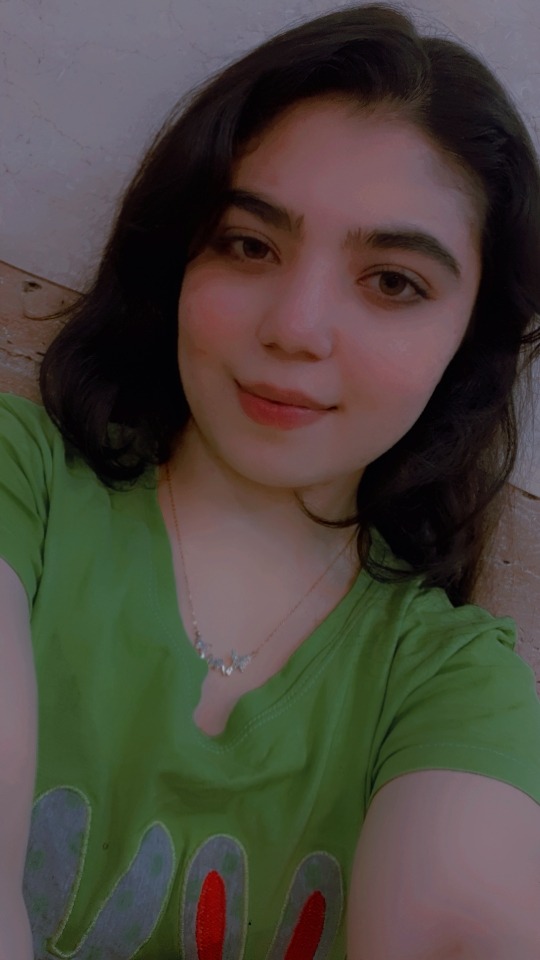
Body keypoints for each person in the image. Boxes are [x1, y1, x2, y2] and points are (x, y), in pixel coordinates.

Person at [2, 2, 540, 957]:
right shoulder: (21, 478)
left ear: (470, 341)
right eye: (249, 245)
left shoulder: (451, 682)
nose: (295, 326)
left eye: (393, 281)